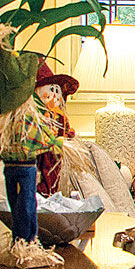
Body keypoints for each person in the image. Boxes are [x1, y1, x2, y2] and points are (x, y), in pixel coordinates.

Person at [33, 62, 79, 195]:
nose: (54, 96)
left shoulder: (60, 115)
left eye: (56, 92)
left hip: (57, 147)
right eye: (50, 92)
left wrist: (68, 134)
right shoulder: (38, 115)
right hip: (44, 148)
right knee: (46, 164)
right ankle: (44, 190)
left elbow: (65, 129)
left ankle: (51, 190)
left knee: (54, 168)